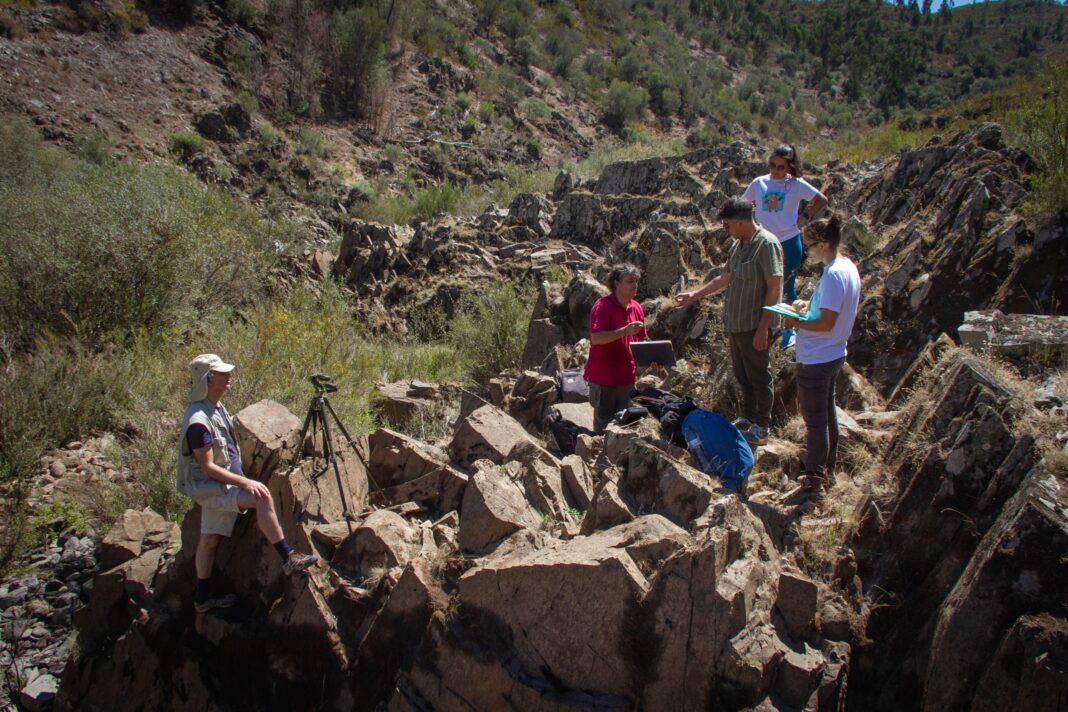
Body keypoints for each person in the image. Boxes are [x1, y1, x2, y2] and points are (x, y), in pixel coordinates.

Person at [176, 354, 318, 613]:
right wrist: (245, 482)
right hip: (212, 488)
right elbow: (207, 466)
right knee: (261, 495)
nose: (229, 376)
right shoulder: (198, 422)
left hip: (218, 484)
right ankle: (288, 557)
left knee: (209, 540)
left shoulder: (215, 406)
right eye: (222, 373)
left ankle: (201, 599)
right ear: (209, 379)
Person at [674, 198, 783, 446]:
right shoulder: (738, 246)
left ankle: (762, 426)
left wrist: (764, 326)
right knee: (743, 374)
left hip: (755, 323)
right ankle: (748, 417)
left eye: (727, 225)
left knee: (759, 375)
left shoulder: (766, 245)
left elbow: (774, 288)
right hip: (736, 323)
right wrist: (694, 295)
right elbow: (724, 278)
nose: (726, 229)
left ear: (741, 222)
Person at [782, 216, 861, 500]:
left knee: (815, 422)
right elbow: (827, 311)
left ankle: (813, 480)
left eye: (810, 246)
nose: (807, 252)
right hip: (834, 353)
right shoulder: (846, 267)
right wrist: (807, 306)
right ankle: (827, 469)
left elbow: (826, 322)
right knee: (827, 415)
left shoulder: (833, 275)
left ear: (824, 244)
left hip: (817, 357)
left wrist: (795, 322)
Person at [742, 144, 828, 350]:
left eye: (781, 167)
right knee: (761, 286)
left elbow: (820, 200)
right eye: (772, 165)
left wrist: (804, 217)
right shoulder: (759, 183)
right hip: (763, 243)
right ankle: (762, 327)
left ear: (789, 166)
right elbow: (743, 204)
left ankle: (789, 331)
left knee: (787, 287)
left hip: (789, 241)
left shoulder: (795, 184)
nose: (775, 170)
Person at [584, 263, 647, 433]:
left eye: (636, 281)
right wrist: (624, 331)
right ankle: (598, 459)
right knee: (602, 426)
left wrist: (652, 358)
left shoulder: (637, 307)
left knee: (624, 425)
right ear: (617, 284)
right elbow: (596, 338)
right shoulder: (603, 306)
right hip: (604, 378)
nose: (635, 285)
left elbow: (641, 339)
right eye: (630, 281)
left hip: (627, 378)